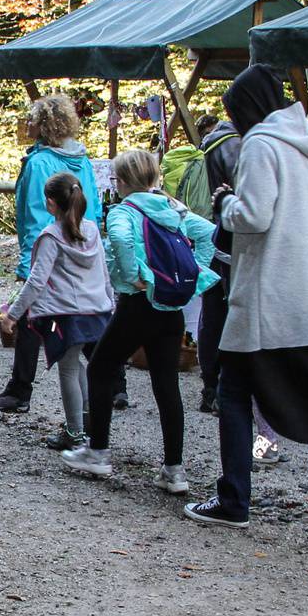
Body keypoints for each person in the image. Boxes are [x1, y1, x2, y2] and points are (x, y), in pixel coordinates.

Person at [184, 66, 308, 529]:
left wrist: (224, 203)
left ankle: (234, 497)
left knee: (232, 392)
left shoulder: (260, 144)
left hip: (267, 294)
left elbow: (252, 216)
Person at [62, 149, 218, 493]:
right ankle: (174, 470)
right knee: (166, 385)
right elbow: (208, 233)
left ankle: (98, 451)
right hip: (170, 309)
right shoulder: (174, 209)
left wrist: (136, 275)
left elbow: (119, 238)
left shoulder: (125, 210)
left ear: (125, 181)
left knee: (100, 367)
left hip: (138, 305)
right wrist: (195, 274)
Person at [0, 94, 100, 415]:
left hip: (49, 254)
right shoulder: (83, 161)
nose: (27, 123)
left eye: (32, 118)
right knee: (79, 319)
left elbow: (36, 216)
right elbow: (94, 211)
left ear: (45, 124)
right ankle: (113, 383)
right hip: (80, 252)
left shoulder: (39, 164)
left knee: (34, 322)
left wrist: (28, 266)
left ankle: (20, 391)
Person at [0, 172, 113, 451]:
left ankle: (74, 432)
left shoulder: (51, 237)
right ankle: (86, 421)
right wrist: (111, 304)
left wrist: (13, 314)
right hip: (97, 310)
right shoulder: (92, 230)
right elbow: (104, 271)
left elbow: (36, 281)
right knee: (82, 366)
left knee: (68, 369)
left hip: (67, 313)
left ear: (50, 204)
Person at [191, 109, 244, 414]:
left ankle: (211, 385)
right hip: (229, 244)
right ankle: (225, 386)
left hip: (208, 241)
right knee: (226, 316)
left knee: (211, 317)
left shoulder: (206, 149)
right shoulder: (237, 148)